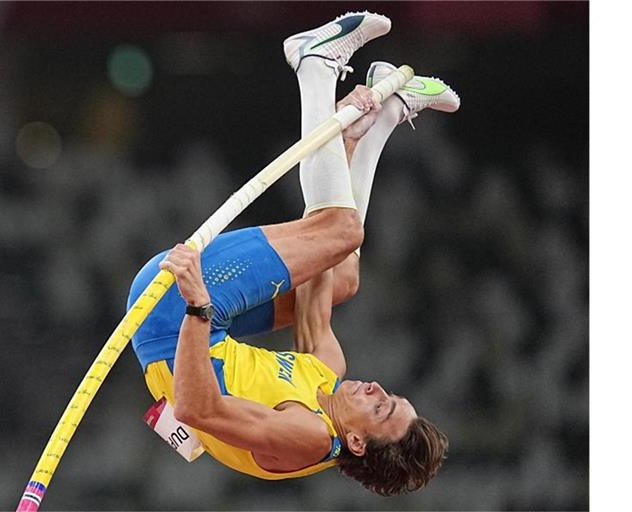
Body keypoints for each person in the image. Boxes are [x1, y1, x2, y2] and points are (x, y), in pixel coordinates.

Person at [127, 11, 460, 496]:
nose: (377, 390)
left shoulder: (305, 437)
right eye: (392, 396)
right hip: (190, 322)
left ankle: (315, 67)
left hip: (173, 313)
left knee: (342, 231)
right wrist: (344, 142)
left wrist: (198, 307)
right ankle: (385, 116)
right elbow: (317, 257)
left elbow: (198, 410)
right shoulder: (325, 374)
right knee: (342, 275)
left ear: (357, 442)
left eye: (381, 409)